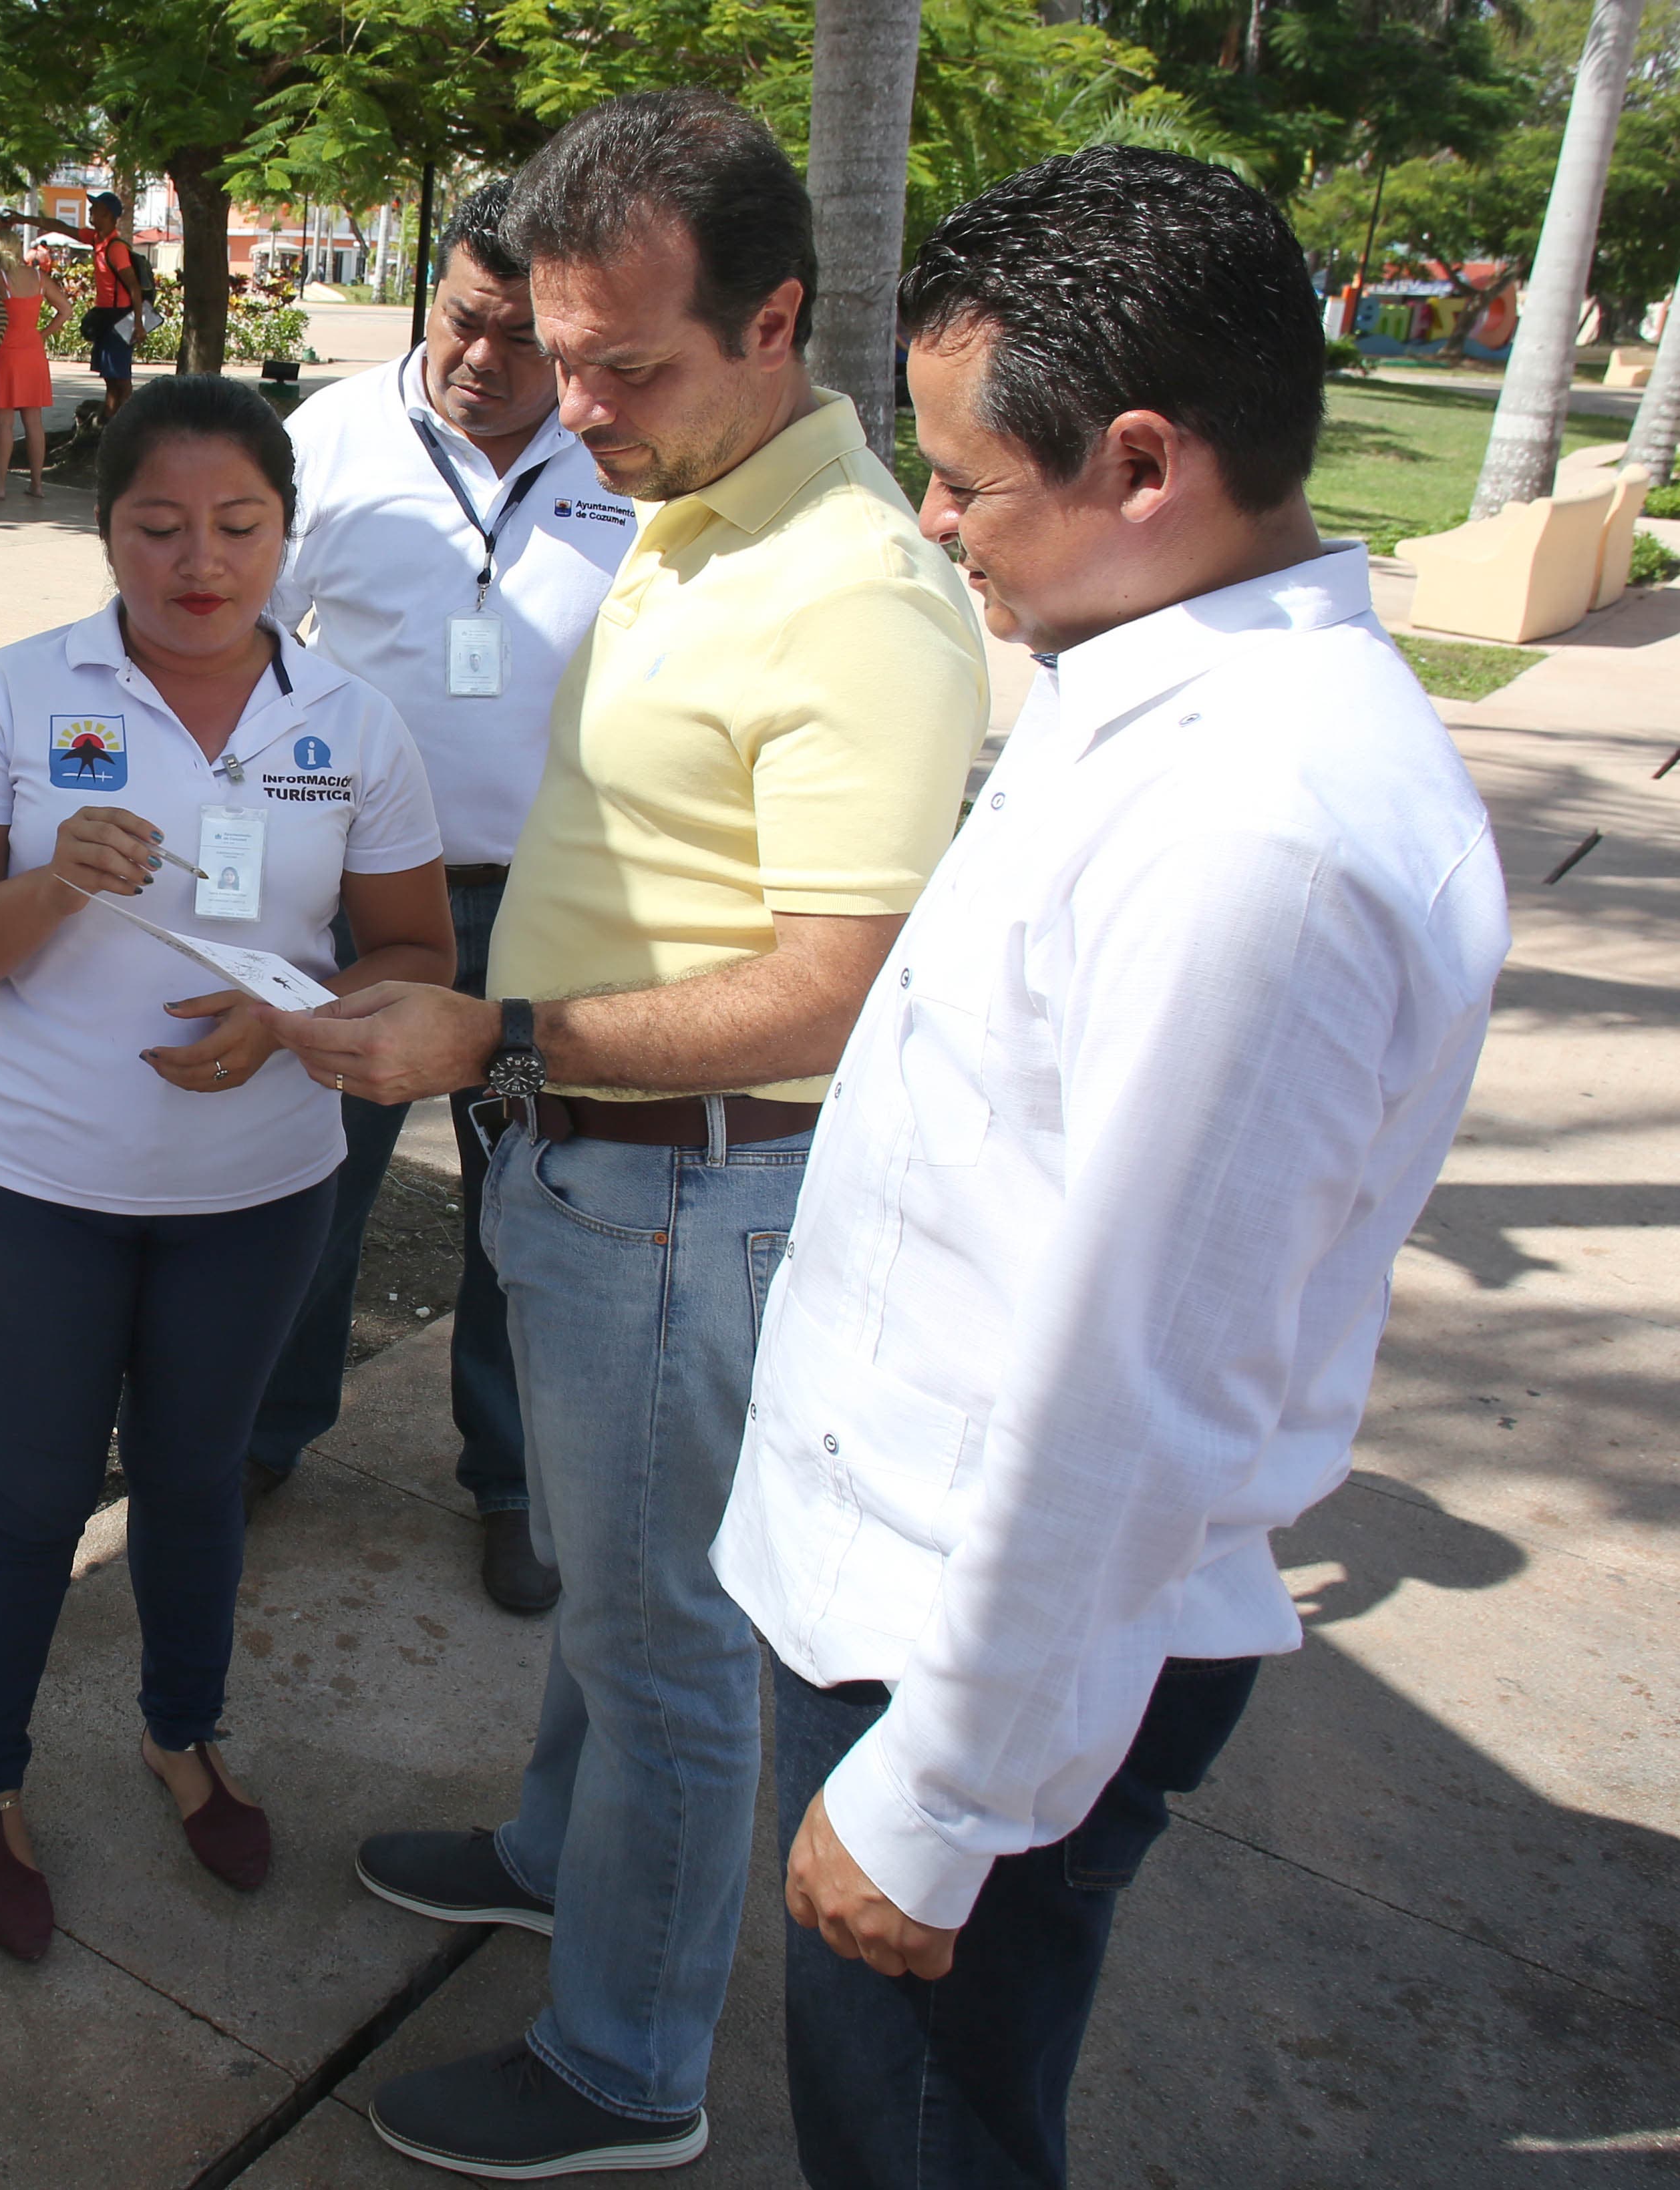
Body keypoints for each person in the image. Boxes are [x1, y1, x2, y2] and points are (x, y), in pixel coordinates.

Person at [715, 147, 1506, 2190]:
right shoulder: (1135, 679)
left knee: (918, 2137)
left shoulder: (1261, 827)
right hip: (901, 1592)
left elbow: (1134, 1379)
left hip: (966, 1662)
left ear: (1139, 461)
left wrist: (943, 1796)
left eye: (967, 478)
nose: (933, 519)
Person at [261, 91, 991, 2177]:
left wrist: (494, 1029)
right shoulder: (686, 501)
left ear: (775, 323)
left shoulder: (852, 592)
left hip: (692, 1189)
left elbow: (835, 982)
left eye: (624, 365)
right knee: (609, 1593)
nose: (569, 407)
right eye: (553, 352)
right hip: (601, 1161)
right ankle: (547, 1853)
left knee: (670, 1648)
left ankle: (622, 2067)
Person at [0, 374, 455, 1963]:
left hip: (256, 1186)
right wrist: (51, 884)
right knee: (31, 1491)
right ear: (104, 532)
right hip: (35, 1177)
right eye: (156, 525)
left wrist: (293, 1032)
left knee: (199, 1478)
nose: (197, 561)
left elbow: (408, 946)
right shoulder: (18, 694)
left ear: (286, 532)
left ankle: (183, 1731)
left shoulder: (348, 721)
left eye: (237, 525)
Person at [246, 177, 633, 1616]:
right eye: (465, 320)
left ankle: (514, 1481)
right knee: (311, 1187)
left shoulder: (625, 460)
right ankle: (266, 1437)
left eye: (525, 339)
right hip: (352, 902)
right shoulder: (332, 439)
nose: (483, 359)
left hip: (551, 908)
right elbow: (247, 644)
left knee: (521, 1205)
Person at [4, 192, 140, 413]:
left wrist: (139, 324)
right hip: (106, 317)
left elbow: (133, 286)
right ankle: (109, 420)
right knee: (109, 375)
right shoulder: (96, 239)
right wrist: (25, 219)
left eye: (94, 208)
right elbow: (60, 226)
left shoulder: (116, 248)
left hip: (121, 317)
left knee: (121, 378)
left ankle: (126, 424)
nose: (90, 212)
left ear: (106, 214)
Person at [0, 230, 58, 498]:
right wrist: (42, 334)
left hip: (3, 354)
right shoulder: (38, 277)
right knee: (34, 422)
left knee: (3, 424)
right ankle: (37, 484)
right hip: (33, 354)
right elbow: (66, 310)